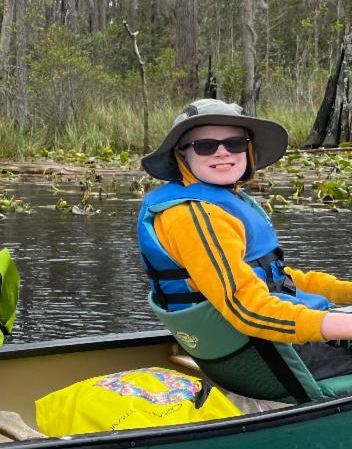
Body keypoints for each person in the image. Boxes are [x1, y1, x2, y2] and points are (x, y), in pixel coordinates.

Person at [136, 98, 352, 381]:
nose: (222, 152)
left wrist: (344, 292)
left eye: (235, 143)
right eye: (205, 146)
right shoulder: (196, 217)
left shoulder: (224, 203)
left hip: (265, 344)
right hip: (268, 355)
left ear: (248, 149)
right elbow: (247, 307)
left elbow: (275, 277)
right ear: (182, 155)